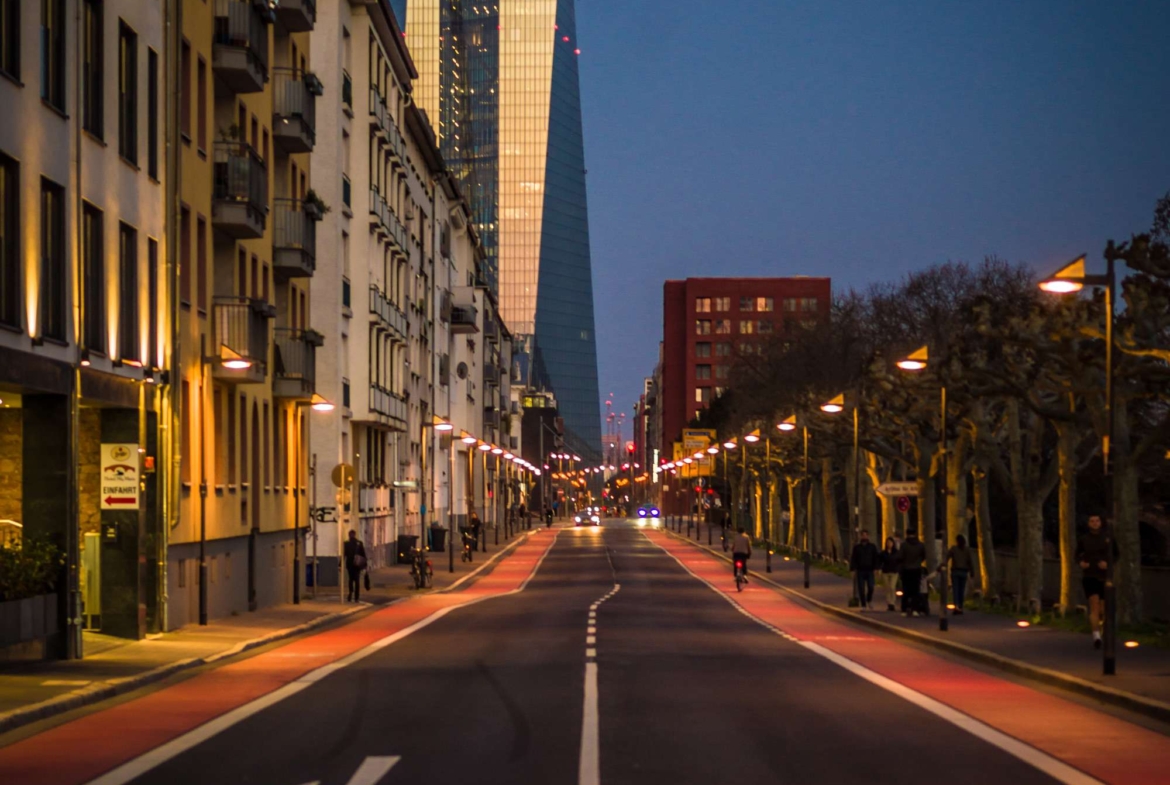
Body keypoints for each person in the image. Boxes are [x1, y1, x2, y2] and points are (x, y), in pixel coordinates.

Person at [1076, 514, 1116, 649]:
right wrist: (1081, 563)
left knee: (1103, 608)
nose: (1094, 523)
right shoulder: (1084, 539)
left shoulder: (1108, 538)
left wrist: (1108, 563)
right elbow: (1077, 554)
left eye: (1097, 520)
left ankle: (1103, 630)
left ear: (1101, 522)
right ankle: (1096, 635)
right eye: (1092, 521)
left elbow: (1116, 554)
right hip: (1090, 575)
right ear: (1088, 523)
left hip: (1104, 576)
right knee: (1094, 604)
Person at [849, 530, 881, 609]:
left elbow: (876, 558)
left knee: (871, 586)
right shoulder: (857, 547)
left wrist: (876, 568)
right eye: (862, 535)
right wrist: (852, 569)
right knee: (861, 588)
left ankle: (869, 600)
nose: (864, 537)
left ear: (868, 536)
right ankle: (863, 604)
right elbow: (853, 559)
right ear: (860, 536)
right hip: (860, 570)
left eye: (865, 535)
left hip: (870, 570)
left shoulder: (872, 547)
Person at [943, 534, 974, 614]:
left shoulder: (954, 548)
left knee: (956, 590)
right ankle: (961, 606)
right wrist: (972, 572)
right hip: (964, 572)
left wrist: (944, 565)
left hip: (955, 571)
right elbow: (970, 562)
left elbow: (947, 557)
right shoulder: (967, 550)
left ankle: (956, 606)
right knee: (961, 590)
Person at [898, 529, 926, 617]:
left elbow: (900, 557)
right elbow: (923, 556)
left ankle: (904, 609)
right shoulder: (920, 545)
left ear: (907, 534)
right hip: (917, 569)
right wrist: (918, 562)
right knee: (916, 591)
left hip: (906, 569)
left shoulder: (904, 545)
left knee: (906, 590)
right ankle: (915, 609)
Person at [343, 529, 367, 603]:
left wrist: (340, 564)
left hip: (350, 564)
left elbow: (344, 554)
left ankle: (350, 593)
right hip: (357, 564)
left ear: (349, 535)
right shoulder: (359, 543)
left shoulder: (346, 544)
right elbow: (363, 555)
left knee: (350, 579)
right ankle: (356, 597)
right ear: (355, 534)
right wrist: (365, 565)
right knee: (357, 580)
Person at [879, 537, 901, 611]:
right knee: (887, 588)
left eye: (890, 543)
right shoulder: (883, 553)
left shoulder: (897, 552)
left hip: (894, 572)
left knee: (892, 587)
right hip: (885, 571)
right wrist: (879, 569)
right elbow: (880, 561)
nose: (889, 544)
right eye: (888, 543)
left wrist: (898, 568)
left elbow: (899, 561)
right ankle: (889, 603)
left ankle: (893, 602)